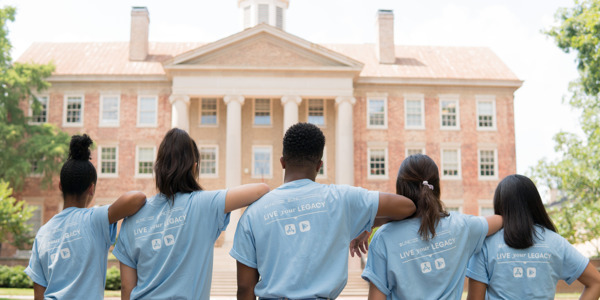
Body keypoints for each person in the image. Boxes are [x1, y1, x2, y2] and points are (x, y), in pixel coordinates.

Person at [231, 122, 417, 300]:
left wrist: (365, 222)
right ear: (320, 166)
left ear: (282, 162)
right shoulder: (341, 198)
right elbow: (407, 207)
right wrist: (368, 223)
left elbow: (245, 287)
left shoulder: (253, 213)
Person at [113, 128, 270, 300]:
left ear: (158, 168)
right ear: (194, 168)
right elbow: (261, 190)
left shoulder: (132, 218)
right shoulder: (205, 204)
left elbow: (127, 289)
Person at [359, 154, 503, 300]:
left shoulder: (383, 238)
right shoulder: (462, 225)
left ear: (400, 188)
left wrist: (375, 221)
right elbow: (501, 220)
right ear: (436, 186)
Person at [24, 134, 147, 300]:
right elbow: (137, 198)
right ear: (91, 189)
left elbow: (38, 296)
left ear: (60, 186)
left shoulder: (42, 233)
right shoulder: (95, 219)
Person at [466, 174, 600, 300]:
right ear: (535, 204)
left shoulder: (485, 245)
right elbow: (596, 282)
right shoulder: (556, 242)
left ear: (500, 205)